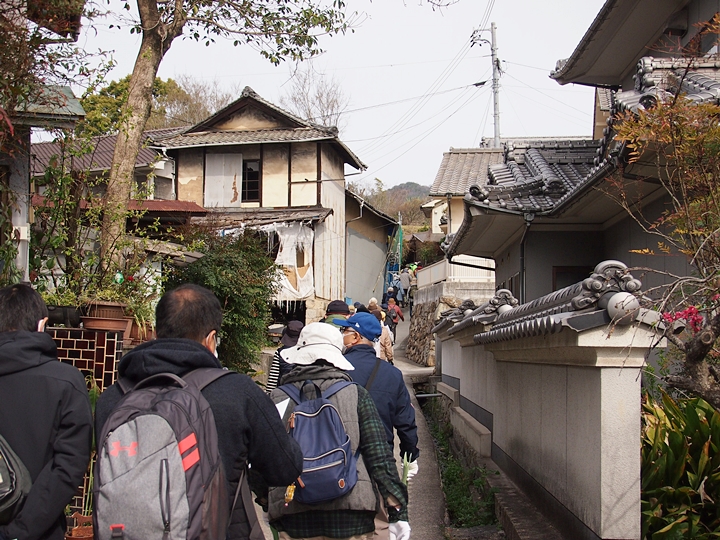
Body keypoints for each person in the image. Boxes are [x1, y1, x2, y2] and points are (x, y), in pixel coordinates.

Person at [94, 284, 303, 538]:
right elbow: (284, 468)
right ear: (210, 338)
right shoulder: (237, 392)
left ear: (157, 332)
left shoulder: (113, 398)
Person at [266, 323, 409, 540]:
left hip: (294, 515)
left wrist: (267, 500)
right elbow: (379, 457)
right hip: (352, 512)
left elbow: (261, 458)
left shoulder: (277, 398)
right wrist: (397, 510)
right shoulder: (356, 394)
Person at [0, 284, 93, 540]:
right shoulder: (66, 381)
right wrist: (19, 532)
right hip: (40, 532)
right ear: (42, 325)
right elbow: (68, 467)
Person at [338, 313, 419, 471]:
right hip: (380, 459)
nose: (342, 335)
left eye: (344, 330)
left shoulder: (335, 367)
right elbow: (406, 421)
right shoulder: (392, 374)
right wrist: (409, 456)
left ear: (355, 337)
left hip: (339, 457)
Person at [266, 320, 304, 393]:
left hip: (283, 392)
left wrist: (268, 395)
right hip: (302, 393)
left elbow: (273, 380)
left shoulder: (280, 352)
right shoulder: (307, 352)